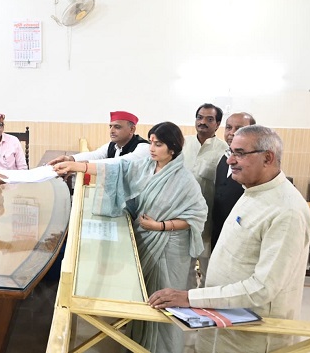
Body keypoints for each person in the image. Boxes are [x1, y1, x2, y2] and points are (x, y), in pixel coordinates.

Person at [148, 125, 310, 353]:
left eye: (240, 153)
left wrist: (191, 297)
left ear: (268, 157)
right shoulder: (252, 191)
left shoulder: (287, 211)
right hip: (220, 320)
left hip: (251, 336)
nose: (230, 161)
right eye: (230, 152)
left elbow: (262, 289)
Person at [53, 122, 207, 353]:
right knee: (145, 298)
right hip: (146, 236)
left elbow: (197, 215)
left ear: (173, 148)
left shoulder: (185, 180)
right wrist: (77, 166)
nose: (152, 148)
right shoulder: (146, 165)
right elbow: (118, 168)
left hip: (169, 247)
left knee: (164, 300)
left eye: (159, 144)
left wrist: (161, 225)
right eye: (152, 142)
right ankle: (137, 344)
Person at [183, 103, 228, 284]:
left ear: (217, 124)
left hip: (209, 220)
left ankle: (207, 306)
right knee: (184, 268)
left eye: (209, 119)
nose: (203, 122)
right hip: (183, 217)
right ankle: (186, 304)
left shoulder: (224, 151)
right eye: (200, 117)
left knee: (209, 268)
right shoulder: (183, 144)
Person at [211, 112, 256, 250]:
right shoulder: (224, 158)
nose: (232, 133)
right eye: (228, 127)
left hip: (242, 235)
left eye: (239, 128)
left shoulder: (255, 163)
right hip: (219, 229)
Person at [48, 111, 149, 165]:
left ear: (132, 129)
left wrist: (82, 165)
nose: (112, 131)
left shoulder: (143, 147)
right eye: (110, 127)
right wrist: (71, 159)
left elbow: (121, 162)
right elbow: (96, 155)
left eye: (117, 127)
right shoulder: (113, 145)